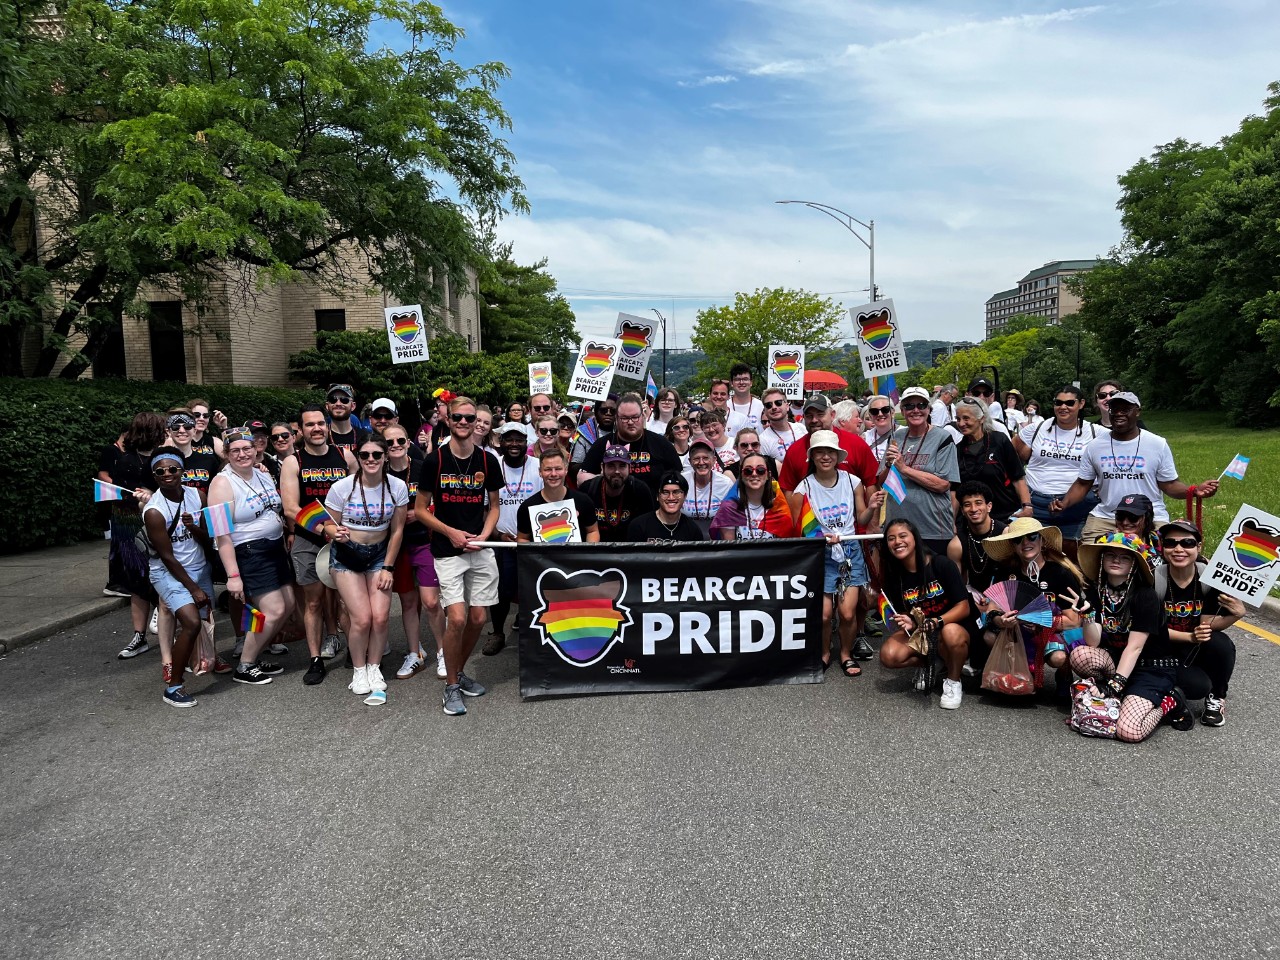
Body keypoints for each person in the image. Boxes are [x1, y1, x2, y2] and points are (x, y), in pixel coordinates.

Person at [415, 397, 504, 716]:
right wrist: (449, 531)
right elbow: (420, 510)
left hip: (480, 548)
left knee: (479, 618)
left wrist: (484, 534)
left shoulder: (488, 461)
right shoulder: (434, 461)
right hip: (447, 550)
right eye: (459, 417)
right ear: (448, 420)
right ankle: (451, 686)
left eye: (471, 418)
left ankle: (459, 672)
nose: (465, 422)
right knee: (457, 617)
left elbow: (494, 507)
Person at [1071, 533, 1194, 739]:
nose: (1116, 560)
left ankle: (1170, 702)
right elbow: (1093, 642)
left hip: (1151, 667)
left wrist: (1114, 688)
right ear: (1102, 559)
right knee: (1081, 654)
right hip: (1118, 660)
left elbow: (1135, 647)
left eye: (1125, 557)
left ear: (1134, 564)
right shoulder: (1096, 591)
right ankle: (1113, 689)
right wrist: (1088, 615)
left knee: (1128, 731)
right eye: (1110, 555)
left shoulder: (1145, 595)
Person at [1051, 391, 1218, 541]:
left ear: (1137, 411)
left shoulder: (1157, 444)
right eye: (1114, 409)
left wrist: (1194, 491)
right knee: (1090, 557)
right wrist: (1064, 503)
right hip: (1108, 517)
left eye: (1125, 409)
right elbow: (1083, 483)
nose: (1118, 413)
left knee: (1160, 559)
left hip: (1150, 517)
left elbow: (1169, 484)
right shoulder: (1095, 446)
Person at [322, 436, 408, 700]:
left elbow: (397, 530)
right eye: (365, 455)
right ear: (358, 458)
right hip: (347, 555)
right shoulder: (342, 487)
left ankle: (374, 667)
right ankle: (358, 669)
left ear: (385, 457)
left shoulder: (397, 487)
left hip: (380, 556)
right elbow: (327, 524)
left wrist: (388, 567)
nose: (371, 459)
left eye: (376, 455)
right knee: (361, 618)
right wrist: (333, 532)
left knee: (381, 617)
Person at [208, 429, 295, 685]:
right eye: (235, 450)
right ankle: (245, 666)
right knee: (273, 609)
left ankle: (254, 656)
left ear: (256, 449)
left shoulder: (262, 474)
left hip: (274, 548)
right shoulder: (221, 483)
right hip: (248, 552)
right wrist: (233, 576)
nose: (242, 454)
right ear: (226, 454)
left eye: (247, 448)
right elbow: (221, 535)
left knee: (288, 605)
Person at [793, 431, 883, 675]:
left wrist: (872, 506)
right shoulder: (803, 488)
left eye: (830, 452)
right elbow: (798, 528)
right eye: (820, 452)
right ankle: (824, 653)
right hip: (820, 554)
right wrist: (819, 538)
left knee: (846, 612)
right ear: (812, 456)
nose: (825, 457)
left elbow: (861, 517)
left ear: (837, 455)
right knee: (823, 615)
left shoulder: (852, 481)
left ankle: (844, 654)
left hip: (850, 551)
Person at [280, 404, 355, 683]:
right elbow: (290, 508)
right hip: (309, 540)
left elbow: (358, 494)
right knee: (313, 602)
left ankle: (353, 651)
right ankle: (315, 659)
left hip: (343, 540)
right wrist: (324, 528)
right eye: (309, 425)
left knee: (347, 601)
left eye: (320, 423)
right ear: (301, 429)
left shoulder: (345, 456)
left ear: (327, 425)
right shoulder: (293, 461)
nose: (316, 429)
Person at [979, 517, 1086, 694]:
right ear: (1013, 546)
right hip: (1017, 632)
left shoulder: (1060, 574)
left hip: (1050, 633)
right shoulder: (1007, 572)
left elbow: (1073, 621)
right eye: (1018, 539)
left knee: (1058, 658)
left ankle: (1064, 673)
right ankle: (1016, 671)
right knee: (989, 636)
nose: (1025, 543)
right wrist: (1001, 621)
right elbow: (992, 611)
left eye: (1032, 536)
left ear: (1042, 540)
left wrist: (1040, 622)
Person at [143, 447, 215, 707]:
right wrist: (194, 588)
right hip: (168, 573)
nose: (167, 475)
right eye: (159, 471)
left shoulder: (198, 495)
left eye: (172, 469)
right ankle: (173, 687)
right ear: (154, 476)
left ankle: (204, 659)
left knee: (206, 617)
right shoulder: (154, 511)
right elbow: (167, 557)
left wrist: (194, 527)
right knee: (191, 622)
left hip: (199, 566)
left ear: (182, 471)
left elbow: (210, 537)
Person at [1156, 519, 1244, 727]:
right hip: (1163, 647)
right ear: (1163, 547)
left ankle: (1217, 698)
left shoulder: (1208, 577)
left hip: (1194, 647)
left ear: (1198, 546)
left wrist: (1236, 615)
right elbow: (1151, 630)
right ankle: (1163, 690)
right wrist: (1189, 636)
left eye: (1187, 543)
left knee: (1221, 643)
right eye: (1171, 543)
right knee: (1197, 686)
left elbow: (1208, 623)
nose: (1178, 549)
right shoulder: (1155, 579)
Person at [877, 518, 970, 710]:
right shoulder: (895, 574)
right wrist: (908, 620)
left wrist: (937, 621)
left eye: (903, 536)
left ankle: (953, 681)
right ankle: (932, 662)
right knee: (889, 655)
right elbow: (905, 611)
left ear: (915, 538)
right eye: (891, 538)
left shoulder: (941, 564)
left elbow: (963, 607)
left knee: (951, 633)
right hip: (922, 631)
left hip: (951, 627)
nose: (897, 542)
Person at [1013, 384, 1106, 559]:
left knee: (1072, 556)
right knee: (1033, 553)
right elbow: (1011, 453)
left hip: (1076, 505)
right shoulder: (1037, 428)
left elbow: (1117, 456)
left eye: (1070, 403)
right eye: (1059, 402)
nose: (1063, 407)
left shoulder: (1096, 433)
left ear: (1081, 404)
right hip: (1035, 502)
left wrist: (1104, 484)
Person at [383, 423, 446, 680]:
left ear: (409, 442)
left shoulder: (423, 468)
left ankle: (443, 651)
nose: (395, 446)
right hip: (396, 547)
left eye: (400, 440)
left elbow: (443, 501)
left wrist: (420, 512)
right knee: (408, 603)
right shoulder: (379, 471)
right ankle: (414, 653)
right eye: (389, 443)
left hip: (425, 541)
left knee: (431, 602)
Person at [880, 386, 960, 556]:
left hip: (932, 529)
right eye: (909, 406)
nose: (915, 410)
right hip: (898, 529)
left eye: (921, 405)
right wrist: (888, 466)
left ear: (929, 409)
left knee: (934, 581)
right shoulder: (895, 438)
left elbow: (943, 484)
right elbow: (881, 482)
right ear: (901, 410)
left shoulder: (943, 438)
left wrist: (904, 468)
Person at [110, 412, 165, 660]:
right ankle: (139, 635)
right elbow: (121, 497)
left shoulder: (161, 458)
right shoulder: (127, 462)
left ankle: (163, 625)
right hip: (131, 527)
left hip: (155, 525)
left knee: (160, 577)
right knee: (137, 582)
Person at [488, 421, 542, 655]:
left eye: (519, 439)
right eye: (508, 439)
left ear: (526, 442)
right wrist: (498, 534)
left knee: (535, 590)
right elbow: (486, 508)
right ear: (500, 442)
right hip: (502, 539)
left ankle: (535, 637)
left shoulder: (538, 466)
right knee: (501, 592)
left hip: (532, 541)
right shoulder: (492, 466)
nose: (513, 444)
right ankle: (497, 633)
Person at [578, 393, 682, 493]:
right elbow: (581, 478)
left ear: (643, 416)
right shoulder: (603, 443)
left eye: (635, 417)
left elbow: (678, 477)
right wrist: (604, 477)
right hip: (614, 508)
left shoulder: (660, 443)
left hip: (653, 508)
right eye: (625, 418)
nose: (631, 422)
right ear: (617, 419)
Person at [778, 395, 879, 494]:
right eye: (809, 416)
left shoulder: (856, 444)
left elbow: (872, 483)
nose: (814, 420)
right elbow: (788, 491)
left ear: (832, 415)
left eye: (820, 414)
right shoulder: (795, 450)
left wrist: (870, 510)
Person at [953, 396, 1031, 522]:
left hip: (1005, 516)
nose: (961, 423)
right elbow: (955, 490)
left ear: (981, 418)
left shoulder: (999, 441)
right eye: (958, 419)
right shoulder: (957, 450)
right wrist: (952, 522)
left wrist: (1027, 506)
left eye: (966, 418)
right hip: (973, 521)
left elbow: (1017, 477)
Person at [516, 448, 601, 543]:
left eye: (558, 469)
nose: (553, 474)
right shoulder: (527, 507)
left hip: (576, 557)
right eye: (548, 469)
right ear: (540, 472)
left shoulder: (583, 501)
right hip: (543, 558)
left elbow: (592, 531)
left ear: (566, 470)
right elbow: (522, 538)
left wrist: (587, 554)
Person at [710, 454, 797, 540]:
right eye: (748, 470)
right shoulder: (729, 508)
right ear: (741, 475)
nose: (754, 474)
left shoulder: (779, 508)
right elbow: (729, 550)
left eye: (760, 470)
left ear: (768, 475)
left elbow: (783, 549)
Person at [579, 444, 655, 542]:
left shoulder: (640, 491)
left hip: (630, 552)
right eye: (611, 466)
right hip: (596, 552)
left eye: (622, 466)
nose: (617, 471)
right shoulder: (587, 489)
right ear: (602, 467)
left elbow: (648, 529)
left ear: (629, 468)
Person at [627, 471, 706, 542]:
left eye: (676, 492)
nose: (671, 498)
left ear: (685, 496)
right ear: (657, 496)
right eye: (665, 492)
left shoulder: (693, 530)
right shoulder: (638, 526)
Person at [681, 438, 735, 538]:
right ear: (690, 461)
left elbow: (729, 523)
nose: (701, 462)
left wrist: (728, 551)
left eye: (706, 458)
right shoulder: (682, 480)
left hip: (715, 543)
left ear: (714, 460)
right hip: (686, 543)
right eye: (696, 458)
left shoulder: (725, 483)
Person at [568, 394, 617, 484]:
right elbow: (575, 465)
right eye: (603, 410)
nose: (608, 413)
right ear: (596, 412)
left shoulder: (623, 433)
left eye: (613, 411)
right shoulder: (585, 433)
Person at [757, 388, 805, 465]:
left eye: (778, 403)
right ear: (765, 411)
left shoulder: (801, 428)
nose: (774, 407)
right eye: (768, 405)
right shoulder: (763, 440)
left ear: (787, 406)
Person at [324, 384, 367, 456]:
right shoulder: (320, 436)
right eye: (333, 399)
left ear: (353, 406)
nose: (338, 403)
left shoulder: (365, 437)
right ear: (327, 406)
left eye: (344, 400)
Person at [861, 395, 896, 467]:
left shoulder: (905, 433)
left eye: (885, 410)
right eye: (874, 411)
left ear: (892, 413)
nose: (880, 414)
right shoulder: (864, 438)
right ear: (870, 416)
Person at [727, 363, 763, 429]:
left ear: (751, 382)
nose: (741, 382)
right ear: (731, 383)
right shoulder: (726, 406)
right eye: (737, 379)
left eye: (745, 379)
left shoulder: (761, 406)